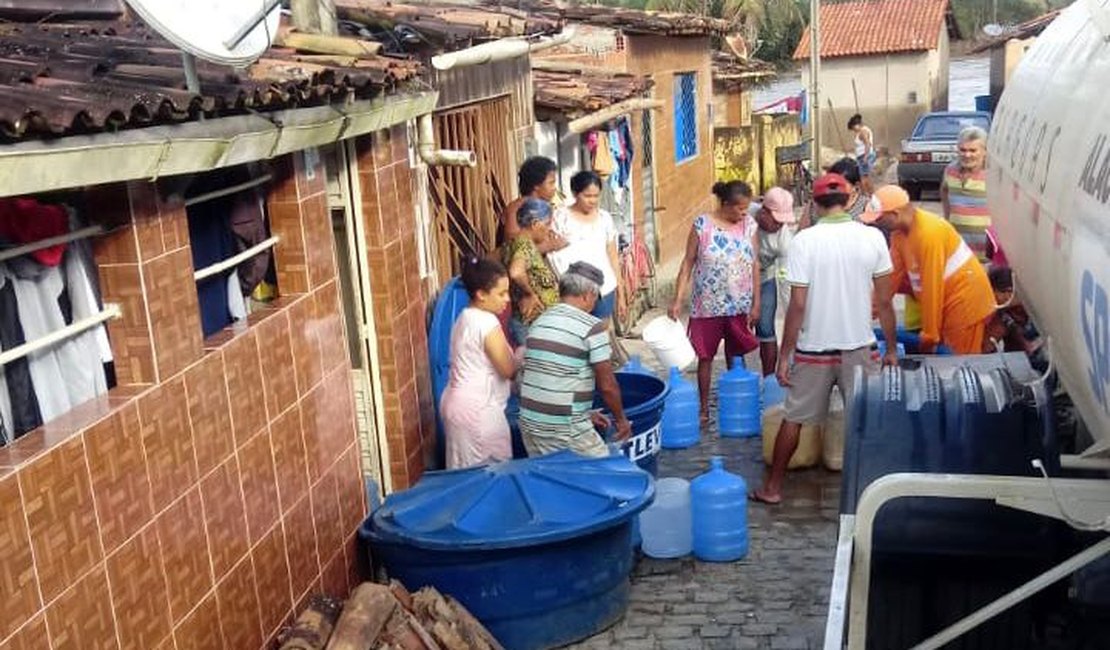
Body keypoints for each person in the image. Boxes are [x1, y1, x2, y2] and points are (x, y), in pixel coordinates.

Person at [752, 173, 899, 505]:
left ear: (814, 205)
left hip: (814, 350)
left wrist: (784, 355)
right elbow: (886, 301)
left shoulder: (804, 241)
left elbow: (798, 305)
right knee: (867, 419)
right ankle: (874, 490)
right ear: (848, 201)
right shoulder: (873, 237)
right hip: (860, 347)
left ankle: (773, 488)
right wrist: (890, 348)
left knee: (794, 418)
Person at [861, 185, 995, 354]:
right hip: (948, 303)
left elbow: (933, 288)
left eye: (879, 218)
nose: (876, 223)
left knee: (959, 367)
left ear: (895, 215)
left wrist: (930, 335)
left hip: (964, 305)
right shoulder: (899, 234)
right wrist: (865, 315)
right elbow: (890, 279)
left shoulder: (929, 233)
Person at [669, 180, 761, 424]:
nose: (744, 213)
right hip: (706, 305)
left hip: (738, 304)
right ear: (726, 204)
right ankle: (703, 408)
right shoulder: (702, 225)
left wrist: (756, 303)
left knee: (736, 355)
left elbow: (754, 264)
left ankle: (735, 403)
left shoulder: (749, 226)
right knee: (705, 357)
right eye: (740, 208)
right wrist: (677, 299)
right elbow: (688, 262)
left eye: (746, 208)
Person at [518, 262, 632, 458]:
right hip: (563, 428)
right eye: (596, 298)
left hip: (529, 423)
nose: (595, 304)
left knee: (554, 483)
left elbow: (550, 378)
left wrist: (585, 413)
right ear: (588, 295)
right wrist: (621, 420)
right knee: (604, 475)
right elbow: (607, 385)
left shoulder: (540, 321)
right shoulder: (592, 327)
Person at [439, 258, 520, 468]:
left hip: (458, 405)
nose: (507, 299)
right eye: (501, 293)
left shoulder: (464, 318)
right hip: (479, 411)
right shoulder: (486, 322)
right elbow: (508, 369)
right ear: (481, 294)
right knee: (489, 476)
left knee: (463, 476)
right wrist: (521, 353)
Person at [550, 171, 625, 325]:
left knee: (600, 335)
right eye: (587, 196)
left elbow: (613, 257)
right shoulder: (560, 218)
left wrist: (621, 294)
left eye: (596, 196)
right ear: (575, 193)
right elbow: (552, 255)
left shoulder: (605, 219)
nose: (592, 201)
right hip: (573, 292)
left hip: (604, 289)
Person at [751, 186, 795, 376]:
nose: (779, 226)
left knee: (766, 327)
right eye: (776, 220)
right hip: (735, 280)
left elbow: (786, 282)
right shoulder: (745, 214)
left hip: (764, 279)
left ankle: (769, 378)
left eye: (783, 222)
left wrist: (792, 315)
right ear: (763, 211)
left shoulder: (785, 240)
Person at [504, 198, 560, 344]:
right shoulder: (524, 245)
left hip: (531, 324)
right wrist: (529, 293)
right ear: (535, 224)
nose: (549, 229)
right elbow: (516, 272)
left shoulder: (513, 243)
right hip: (533, 326)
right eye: (547, 224)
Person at [941, 126, 992, 263]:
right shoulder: (950, 170)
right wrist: (948, 218)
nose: (967, 155)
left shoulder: (993, 175)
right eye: (963, 150)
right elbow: (944, 191)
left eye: (972, 150)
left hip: (987, 257)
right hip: (958, 254)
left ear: (984, 151)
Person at [501, 156, 565, 250]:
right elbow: (513, 247)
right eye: (551, 183)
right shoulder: (516, 209)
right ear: (536, 186)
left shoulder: (546, 208)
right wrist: (550, 246)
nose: (554, 188)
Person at [798, 157, 872, 229]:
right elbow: (801, 232)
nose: (836, 187)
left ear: (856, 186)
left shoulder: (865, 206)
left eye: (842, 183)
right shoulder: (816, 203)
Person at [848, 113, 876, 183]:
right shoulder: (860, 132)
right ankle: (866, 192)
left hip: (865, 156)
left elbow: (867, 144)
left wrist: (866, 157)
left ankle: (869, 193)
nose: (854, 130)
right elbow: (861, 145)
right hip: (861, 156)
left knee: (864, 177)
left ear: (857, 125)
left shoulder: (863, 131)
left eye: (853, 128)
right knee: (863, 176)